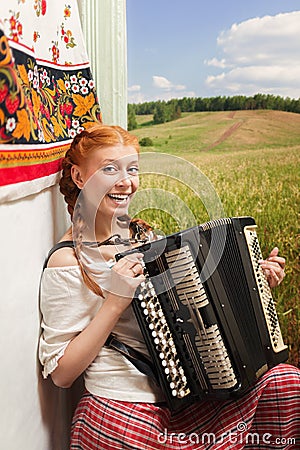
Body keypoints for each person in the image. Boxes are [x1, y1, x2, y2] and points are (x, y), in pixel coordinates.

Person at [39, 123, 300, 450]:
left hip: (181, 399)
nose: (126, 182)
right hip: (122, 406)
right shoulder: (68, 262)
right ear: (79, 177)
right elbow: (62, 374)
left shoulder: (144, 237)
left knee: (286, 383)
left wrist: (253, 283)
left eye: (132, 169)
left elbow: (194, 305)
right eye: (109, 169)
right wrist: (115, 302)